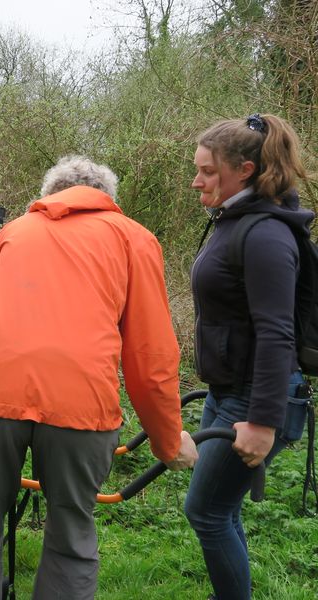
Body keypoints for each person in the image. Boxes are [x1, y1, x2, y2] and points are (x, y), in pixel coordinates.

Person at [0, 155, 199, 600]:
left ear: (49, 195)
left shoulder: (13, 232)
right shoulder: (133, 238)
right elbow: (151, 355)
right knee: (71, 535)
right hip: (79, 403)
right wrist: (168, 439)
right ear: (107, 199)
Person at [184, 114, 312, 600]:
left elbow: (276, 333)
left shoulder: (265, 234)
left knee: (207, 512)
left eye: (208, 171)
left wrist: (262, 421)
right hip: (229, 390)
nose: (197, 180)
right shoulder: (232, 221)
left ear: (246, 169)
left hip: (259, 398)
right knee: (221, 508)